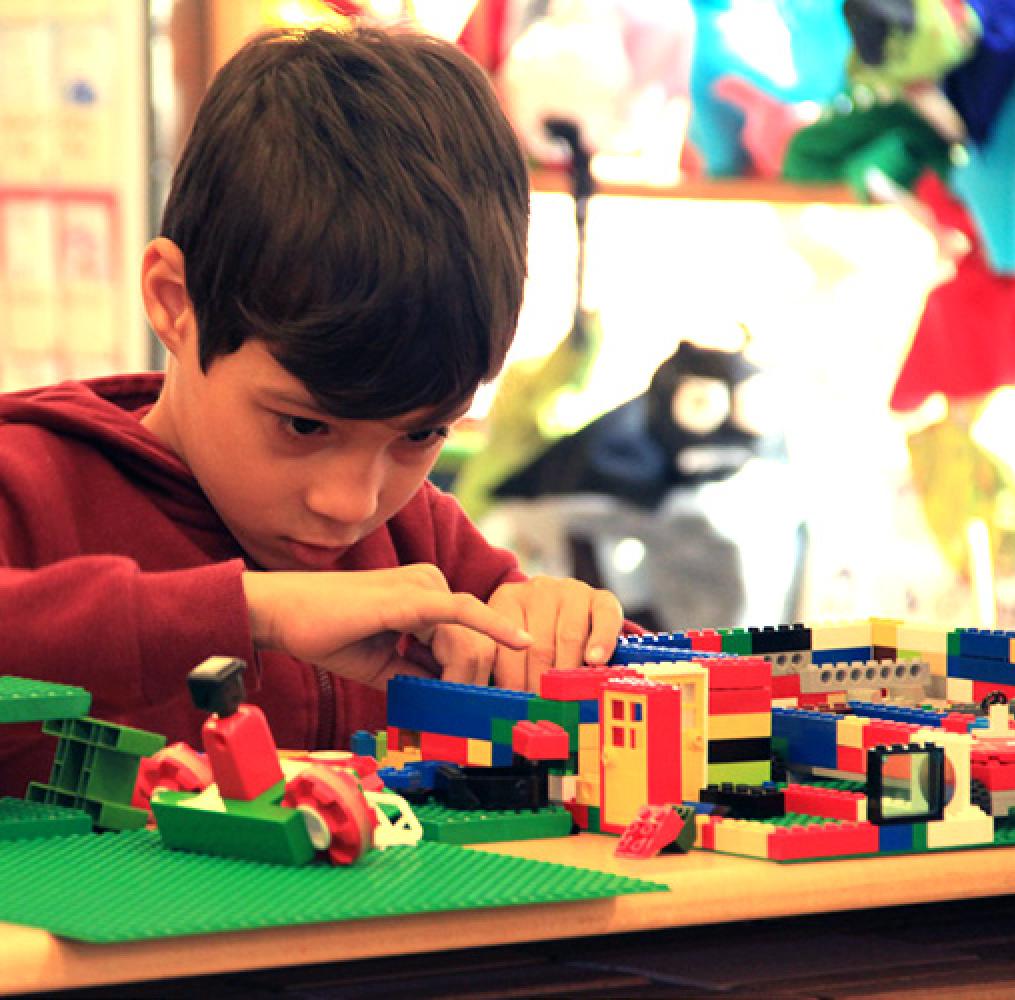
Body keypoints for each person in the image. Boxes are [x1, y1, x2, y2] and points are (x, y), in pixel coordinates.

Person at [0, 24, 623, 796]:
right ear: (173, 303)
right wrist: (251, 613)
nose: (351, 503)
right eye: (303, 425)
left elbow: (642, 706)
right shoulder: (25, 489)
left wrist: (569, 631)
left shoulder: (419, 542)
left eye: (420, 434)